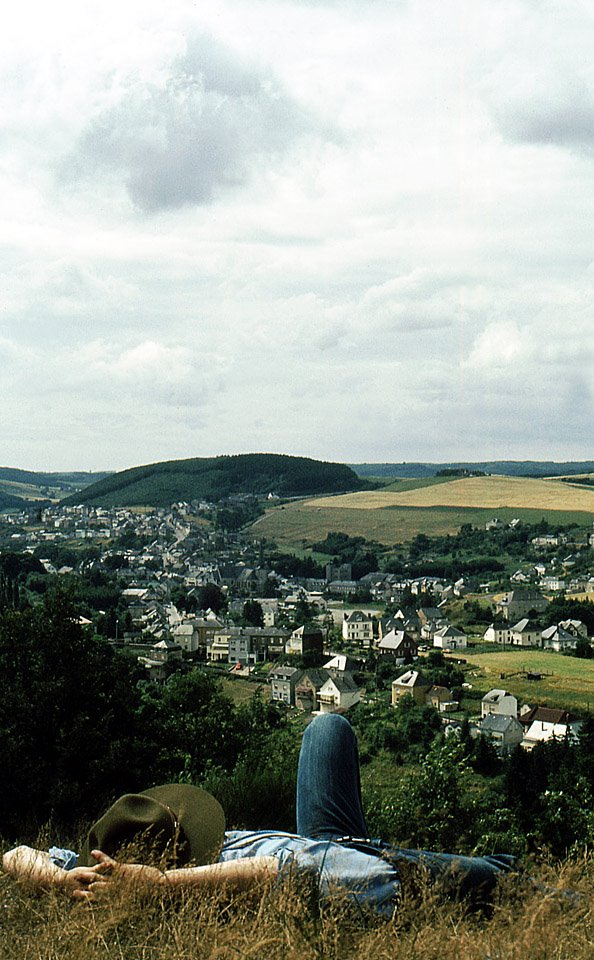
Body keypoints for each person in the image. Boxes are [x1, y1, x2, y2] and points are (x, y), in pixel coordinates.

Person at [2, 714, 514, 916]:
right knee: (499, 877)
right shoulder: (203, 882)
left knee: (326, 728)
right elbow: (289, 874)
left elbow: (12, 855)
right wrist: (159, 884)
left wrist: (57, 879)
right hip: (348, 866)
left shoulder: (96, 873)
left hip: (321, 844)